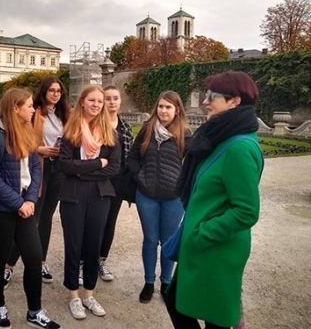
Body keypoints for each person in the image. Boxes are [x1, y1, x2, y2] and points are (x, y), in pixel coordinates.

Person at [164, 71, 264, 329]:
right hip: (203, 247)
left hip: (215, 248)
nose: (205, 101)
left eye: (211, 96)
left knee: (212, 317)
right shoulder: (222, 137)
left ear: (234, 102)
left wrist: (202, 233)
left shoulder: (238, 147)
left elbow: (247, 210)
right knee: (178, 300)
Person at [0, 88, 60, 329]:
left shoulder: (27, 129)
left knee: (34, 259)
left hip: (25, 206)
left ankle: (34, 311)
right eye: (28, 106)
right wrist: (18, 203)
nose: (33, 109)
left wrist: (31, 200)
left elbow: (36, 167)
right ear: (15, 108)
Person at [59, 85, 121, 320]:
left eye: (100, 101)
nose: (96, 104)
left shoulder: (109, 134)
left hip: (100, 195)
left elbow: (114, 168)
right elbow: (65, 165)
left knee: (93, 246)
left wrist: (81, 171)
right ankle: (74, 295)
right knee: (73, 245)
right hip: (73, 195)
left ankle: (89, 294)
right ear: (82, 101)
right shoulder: (70, 131)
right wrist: (97, 164)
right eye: (92, 100)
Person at [4, 76, 70, 287]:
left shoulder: (63, 114)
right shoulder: (35, 112)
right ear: (44, 91)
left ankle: (40, 261)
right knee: (32, 217)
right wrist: (40, 149)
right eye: (51, 90)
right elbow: (23, 138)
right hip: (39, 165)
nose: (55, 94)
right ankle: (9, 265)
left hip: (57, 167)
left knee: (48, 217)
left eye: (58, 91)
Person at [127, 90, 192, 303]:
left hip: (173, 197)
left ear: (177, 110)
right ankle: (148, 282)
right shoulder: (147, 129)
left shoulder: (184, 132)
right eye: (161, 106)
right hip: (147, 195)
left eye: (168, 107)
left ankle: (166, 282)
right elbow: (133, 157)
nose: (163, 110)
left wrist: (183, 185)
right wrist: (140, 177)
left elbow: (193, 165)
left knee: (167, 241)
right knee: (150, 239)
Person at [95, 85, 133, 282]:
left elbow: (130, 155)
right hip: (97, 180)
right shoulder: (94, 124)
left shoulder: (125, 127)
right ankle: (86, 261)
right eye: (107, 98)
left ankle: (102, 260)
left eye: (115, 98)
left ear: (120, 101)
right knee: (93, 221)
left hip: (117, 182)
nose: (111, 102)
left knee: (110, 222)